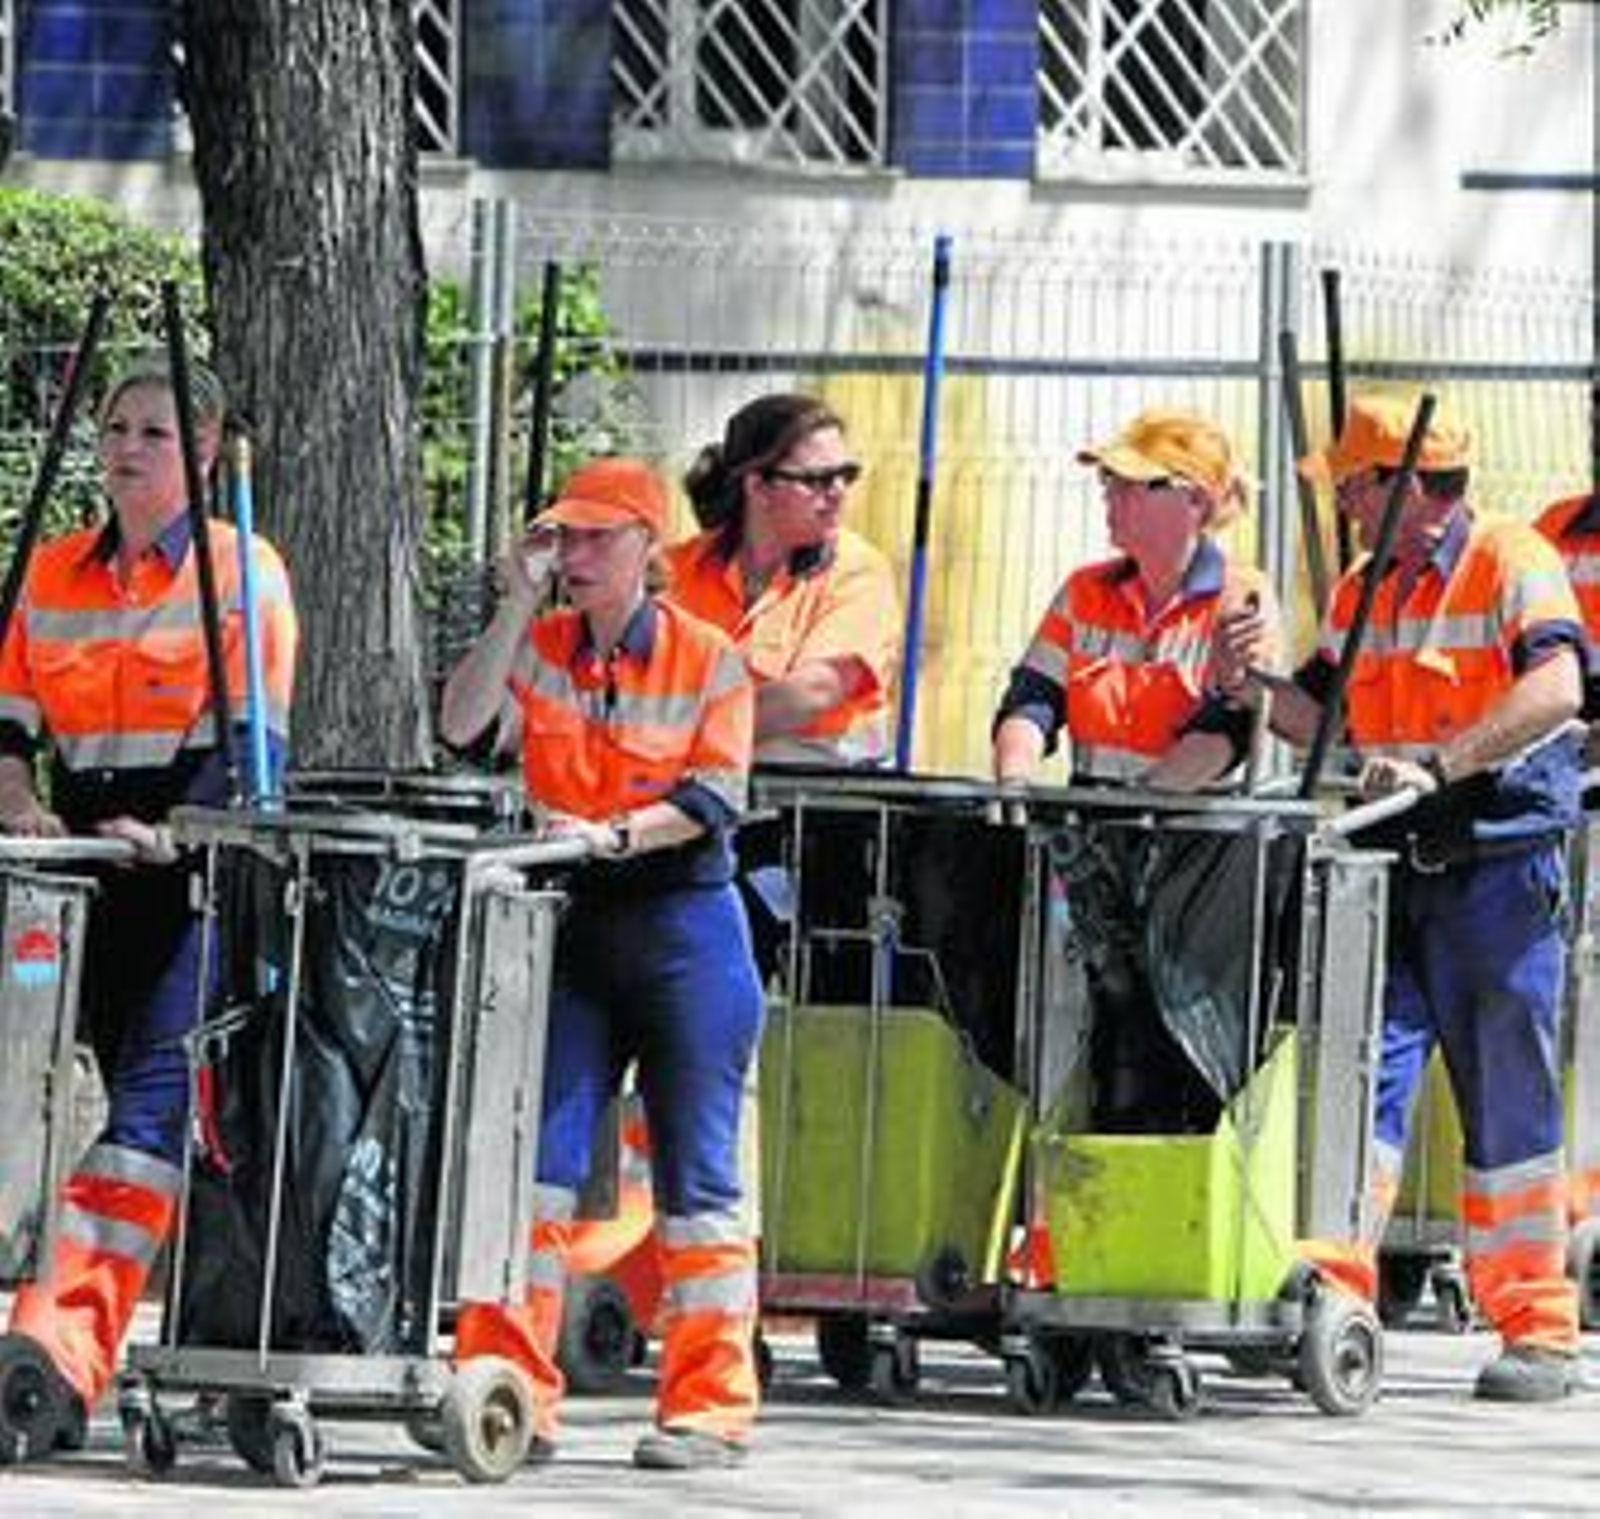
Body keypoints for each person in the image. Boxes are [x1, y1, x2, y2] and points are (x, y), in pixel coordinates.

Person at [1218, 393, 1586, 1402]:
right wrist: (1255, 687)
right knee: (1359, 1077)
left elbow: (1557, 689)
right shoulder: (1359, 586)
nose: (1341, 501)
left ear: (1410, 484)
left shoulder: (1512, 559)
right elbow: (1326, 719)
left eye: (1353, 483)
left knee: (1505, 1091)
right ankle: (1334, 1291)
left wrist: (1442, 763)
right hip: (1390, 867)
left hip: (1497, 863)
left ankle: (1537, 1326)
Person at [0, 352, 298, 1461]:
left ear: (206, 453)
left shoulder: (242, 571)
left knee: (147, 1121)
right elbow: (7, 724)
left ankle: (54, 1349)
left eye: (155, 433)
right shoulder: (52, 573)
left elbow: (255, 744)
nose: (126, 448)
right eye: (116, 427)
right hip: (73, 872)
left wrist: (179, 827)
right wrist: (20, 799)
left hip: (190, 884)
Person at [439, 456, 765, 1470]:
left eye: (593, 537)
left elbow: (713, 798)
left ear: (644, 547)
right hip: (576, 930)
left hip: (685, 931)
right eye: (563, 537)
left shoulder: (709, 657)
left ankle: (710, 1409)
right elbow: (461, 728)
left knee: (698, 1182)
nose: (573, 555)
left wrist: (615, 835)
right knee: (532, 1169)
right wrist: (513, 604)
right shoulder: (541, 647)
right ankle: (507, 1392)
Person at [990, 406, 1280, 1134]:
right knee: (1098, 1036)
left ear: (1194, 501)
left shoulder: (1239, 597)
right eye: (1110, 483)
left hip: (1194, 851)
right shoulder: (1084, 591)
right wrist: (1014, 780)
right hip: (1093, 841)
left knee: (1178, 1038)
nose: (1110, 497)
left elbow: (1225, 733)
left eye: (1130, 484)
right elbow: (1033, 698)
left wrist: (1138, 808)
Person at [668, 392, 901, 767]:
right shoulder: (677, 570)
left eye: (845, 475)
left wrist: (675, 739)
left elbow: (814, 690)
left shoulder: (858, 571)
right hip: (688, 777)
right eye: (817, 480)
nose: (838, 492)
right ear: (757, 486)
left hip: (816, 789)